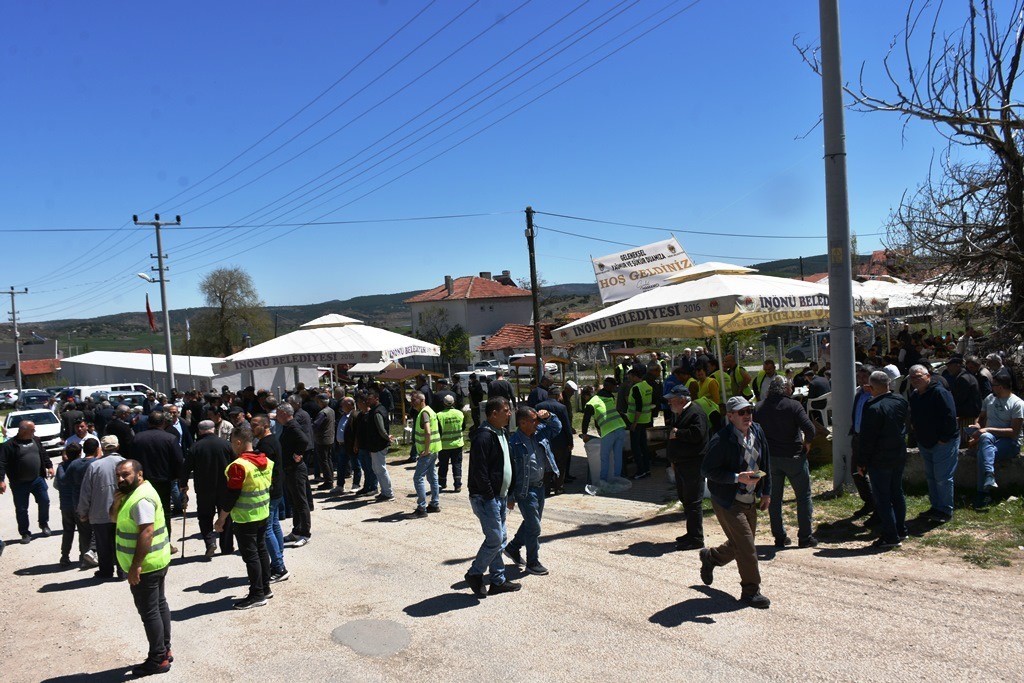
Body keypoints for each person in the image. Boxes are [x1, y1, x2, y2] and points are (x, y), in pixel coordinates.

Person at [699, 396, 772, 609]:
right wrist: (736, 477)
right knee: (747, 546)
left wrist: (766, 491)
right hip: (728, 501)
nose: (747, 415)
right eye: (741, 412)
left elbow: (766, 460)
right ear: (730, 416)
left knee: (740, 544)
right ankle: (751, 592)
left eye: (749, 410)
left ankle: (711, 557)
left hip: (750, 498)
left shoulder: (757, 431)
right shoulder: (721, 440)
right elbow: (707, 470)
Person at [113, 459, 173, 677]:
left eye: (125, 474)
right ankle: (165, 649)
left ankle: (158, 658)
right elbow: (114, 518)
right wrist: (115, 503)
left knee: (150, 612)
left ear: (139, 474)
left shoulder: (141, 499)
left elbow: (146, 532)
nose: (120, 479)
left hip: (146, 566)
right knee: (158, 605)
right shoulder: (130, 494)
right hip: (155, 561)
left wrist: (135, 566)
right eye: (118, 475)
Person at [464, 397, 520, 597]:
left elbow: (507, 463)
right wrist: (490, 497)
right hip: (486, 498)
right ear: (493, 414)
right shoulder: (483, 437)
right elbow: (479, 472)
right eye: (505, 410)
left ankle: (498, 580)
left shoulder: (502, 433)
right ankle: (475, 573)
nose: (509, 413)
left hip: (501, 495)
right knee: (495, 538)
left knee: (500, 538)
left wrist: (509, 492)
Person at [215, 426, 274, 610]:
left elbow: (231, 495)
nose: (232, 446)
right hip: (263, 513)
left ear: (238, 442)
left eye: (232, 442)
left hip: (245, 517)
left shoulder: (238, 466)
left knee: (251, 556)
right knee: (261, 550)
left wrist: (221, 519)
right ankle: (265, 588)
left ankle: (257, 594)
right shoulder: (265, 461)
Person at [754, 376, 817, 548]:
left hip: (770, 460)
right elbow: (810, 429)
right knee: (803, 497)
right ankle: (805, 537)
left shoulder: (759, 407)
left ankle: (779, 537)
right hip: (794, 457)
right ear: (786, 389)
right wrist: (807, 444)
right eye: (790, 387)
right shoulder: (793, 405)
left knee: (774, 498)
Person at [504, 406, 561, 576]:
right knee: (534, 527)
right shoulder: (513, 442)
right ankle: (532, 562)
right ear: (522, 423)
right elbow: (511, 471)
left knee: (531, 523)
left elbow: (557, 427)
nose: (538, 422)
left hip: (540, 486)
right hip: (525, 490)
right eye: (534, 420)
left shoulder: (540, 432)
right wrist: (511, 496)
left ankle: (513, 547)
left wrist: (549, 415)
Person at [857, 370, 910, 549]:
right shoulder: (900, 401)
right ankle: (901, 529)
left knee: (883, 498)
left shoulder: (872, 408)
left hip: (879, 458)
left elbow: (867, 438)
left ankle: (891, 535)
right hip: (898, 453)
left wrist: (861, 461)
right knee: (897, 492)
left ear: (871, 387)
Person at [907, 364, 959, 522]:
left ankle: (945, 510)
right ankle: (936, 506)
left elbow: (950, 416)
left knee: (943, 478)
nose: (916, 380)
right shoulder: (915, 395)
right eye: (912, 377)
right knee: (931, 477)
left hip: (943, 442)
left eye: (919, 376)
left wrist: (944, 438)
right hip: (925, 441)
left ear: (928, 376)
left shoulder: (939, 392)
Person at [180, 420, 234, 558]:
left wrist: (183, 485)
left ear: (199, 432)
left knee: (205, 517)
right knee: (226, 516)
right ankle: (226, 547)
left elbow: (185, 469)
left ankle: (210, 542)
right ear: (214, 430)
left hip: (204, 489)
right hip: (225, 488)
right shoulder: (226, 445)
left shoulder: (195, 447)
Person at [131, 411, 184, 554]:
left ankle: (145, 545)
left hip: (142, 483)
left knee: (142, 514)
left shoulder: (137, 438)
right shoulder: (170, 438)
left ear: (148, 422)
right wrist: (178, 478)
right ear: (163, 423)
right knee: (164, 514)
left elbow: (132, 461)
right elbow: (179, 461)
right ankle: (165, 544)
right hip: (163, 481)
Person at [968, 372, 1024, 508]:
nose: (991, 387)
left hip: (1009, 441)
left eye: (994, 385)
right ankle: (989, 477)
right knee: (986, 439)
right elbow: (981, 418)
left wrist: (987, 430)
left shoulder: (1017, 404)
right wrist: (977, 426)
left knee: (983, 452)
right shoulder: (990, 399)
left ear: (1001, 386)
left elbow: (1013, 432)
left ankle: (983, 493)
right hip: (989, 439)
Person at [664, 385, 708, 551]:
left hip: (693, 464)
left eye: (672, 399)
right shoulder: (680, 412)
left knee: (693, 501)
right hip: (682, 464)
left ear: (682, 399)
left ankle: (696, 538)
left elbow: (698, 434)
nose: (669, 402)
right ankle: (691, 534)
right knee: (686, 499)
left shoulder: (696, 412)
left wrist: (678, 433)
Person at [77, 435, 125, 579]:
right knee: (122, 543)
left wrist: (83, 511)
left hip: (100, 513)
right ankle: (123, 571)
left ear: (102, 449)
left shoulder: (94, 466)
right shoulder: (126, 463)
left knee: (103, 545)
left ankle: (106, 571)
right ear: (117, 446)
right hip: (122, 512)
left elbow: (86, 492)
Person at [0, 420, 53, 543]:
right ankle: (25, 533)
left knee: (45, 501)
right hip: (19, 483)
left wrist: (49, 466)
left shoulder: (36, 440)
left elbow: (43, 454)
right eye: (32, 430)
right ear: (24, 431)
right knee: (22, 509)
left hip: (37, 480)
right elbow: (1, 463)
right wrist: (1, 480)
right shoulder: (9, 445)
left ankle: (44, 524)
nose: (34, 432)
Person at [252, 415, 290, 583]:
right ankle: (278, 561)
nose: (252, 428)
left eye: (255, 425)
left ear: (265, 425)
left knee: (267, 527)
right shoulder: (271, 440)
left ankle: (279, 567)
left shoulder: (266, 444)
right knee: (274, 524)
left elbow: (264, 470)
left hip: (271, 490)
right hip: (276, 489)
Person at [276, 403, 311, 545]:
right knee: (295, 502)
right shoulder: (288, 425)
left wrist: (298, 454)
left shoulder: (292, 425)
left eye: (278, 414)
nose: (277, 416)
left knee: (301, 502)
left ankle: (305, 533)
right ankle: (297, 531)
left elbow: (304, 440)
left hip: (296, 469)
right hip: (289, 469)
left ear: (285, 413)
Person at [581, 377, 627, 482]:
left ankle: (603, 480)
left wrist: (584, 434)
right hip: (620, 428)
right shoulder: (610, 397)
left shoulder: (592, 403)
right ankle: (617, 478)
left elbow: (586, 420)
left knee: (604, 456)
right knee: (618, 455)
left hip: (609, 430)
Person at [848, 364, 876, 521]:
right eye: (859, 377)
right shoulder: (859, 394)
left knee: (873, 473)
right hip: (857, 438)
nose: (861, 380)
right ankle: (869, 502)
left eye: (864, 377)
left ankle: (878, 508)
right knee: (855, 472)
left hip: (870, 441)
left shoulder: (875, 395)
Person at [410, 391, 442, 517]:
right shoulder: (430, 410)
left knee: (418, 478)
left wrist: (427, 450)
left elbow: (428, 432)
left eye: (414, 400)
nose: (412, 403)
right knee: (432, 477)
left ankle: (421, 508)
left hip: (427, 452)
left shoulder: (424, 413)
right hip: (434, 450)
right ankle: (434, 504)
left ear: (422, 400)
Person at [362, 389, 395, 502]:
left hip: (378, 444)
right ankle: (384, 491)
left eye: (370, 399)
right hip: (376, 444)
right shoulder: (377, 410)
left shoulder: (377, 412)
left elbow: (381, 429)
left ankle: (388, 493)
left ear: (376, 398)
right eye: (367, 399)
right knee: (377, 469)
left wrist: (387, 437)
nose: (368, 401)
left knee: (380, 469)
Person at [625, 367, 654, 479]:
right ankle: (646, 469)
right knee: (644, 446)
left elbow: (639, 406)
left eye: (630, 376)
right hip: (646, 419)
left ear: (635, 376)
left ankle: (640, 471)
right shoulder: (647, 386)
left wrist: (634, 423)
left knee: (636, 447)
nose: (629, 378)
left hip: (637, 421)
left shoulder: (636, 388)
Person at [943, 354, 982, 432]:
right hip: (970, 414)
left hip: (966, 417)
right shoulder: (967, 375)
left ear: (957, 365)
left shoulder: (963, 379)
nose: (948, 369)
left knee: (965, 440)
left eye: (950, 366)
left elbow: (959, 399)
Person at [436, 394, 465, 492]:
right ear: (454, 403)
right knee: (457, 465)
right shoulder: (460, 413)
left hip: (444, 445)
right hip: (457, 444)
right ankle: (457, 485)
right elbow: (463, 427)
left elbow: (438, 431)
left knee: (443, 465)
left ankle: (442, 483)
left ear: (443, 403)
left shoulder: (439, 415)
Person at [311, 393, 336, 491]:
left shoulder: (323, 413)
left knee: (323, 461)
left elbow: (315, 425)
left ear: (321, 402)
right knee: (328, 459)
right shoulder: (331, 410)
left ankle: (328, 481)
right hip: (329, 438)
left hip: (322, 439)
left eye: (317, 401)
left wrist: (311, 423)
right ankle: (330, 479)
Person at [331, 397, 355, 495]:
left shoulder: (354, 415)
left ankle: (356, 485)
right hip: (341, 445)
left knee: (355, 465)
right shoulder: (342, 415)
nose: (341, 406)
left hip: (350, 444)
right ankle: (340, 486)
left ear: (350, 404)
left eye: (343, 404)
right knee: (341, 466)